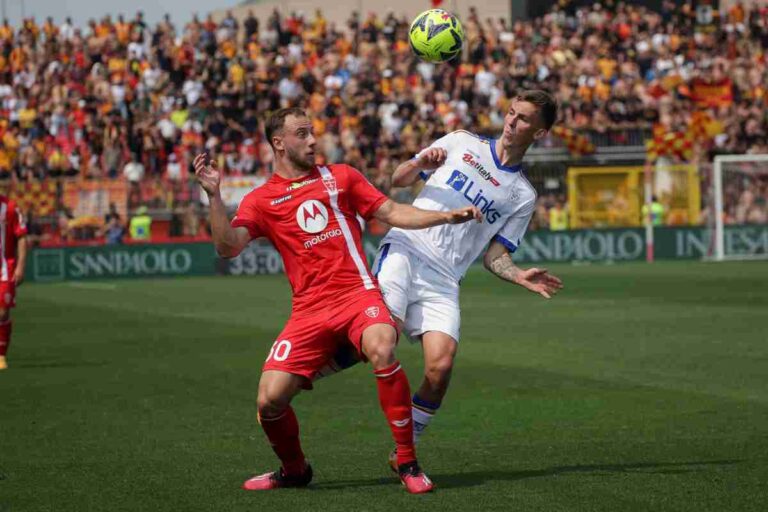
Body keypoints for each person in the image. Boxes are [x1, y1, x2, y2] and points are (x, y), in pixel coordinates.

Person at [193, 107, 481, 494]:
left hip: (357, 294)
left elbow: (393, 211)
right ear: (278, 143)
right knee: (269, 402)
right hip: (308, 312)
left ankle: (407, 461)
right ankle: (294, 470)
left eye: (313, 132)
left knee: (382, 345)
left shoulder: (341, 177)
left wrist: (445, 217)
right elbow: (227, 247)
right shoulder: (260, 200)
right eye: (301, 134)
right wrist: (213, 196)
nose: (313, 140)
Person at [324, 90, 565, 469]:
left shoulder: (522, 195)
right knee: (381, 338)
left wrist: (518, 275)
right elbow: (398, 178)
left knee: (441, 366)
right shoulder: (460, 142)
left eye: (522, 119)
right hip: (407, 248)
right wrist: (422, 162)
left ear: (538, 133)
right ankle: (303, 373)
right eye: (510, 113)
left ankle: (406, 445)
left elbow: (495, 256)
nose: (510, 122)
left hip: (445, 277)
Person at [0, 195, 28, 370]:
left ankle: (1, 355)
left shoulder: (10, 207)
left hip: (4, 267)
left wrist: (21, 266)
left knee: (2, 311)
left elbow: (22, 237)